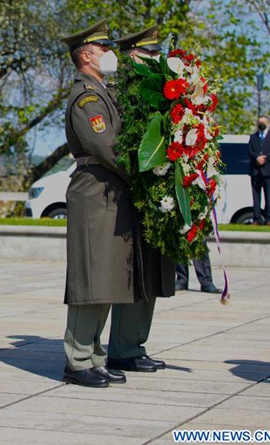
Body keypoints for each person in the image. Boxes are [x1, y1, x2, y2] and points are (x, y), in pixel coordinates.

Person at [59, 19, 142, 388]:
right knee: (91, 277)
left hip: (109, 191)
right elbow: (105, 146)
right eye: (105, 48)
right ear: (87, 55)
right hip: (95, 190)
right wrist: (143, 172)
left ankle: (93, 355)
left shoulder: (102, 91)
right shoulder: (86, 96)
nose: (111, 54)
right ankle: (77, 361)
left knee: (105, 278)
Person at [106, 26, 176, 375]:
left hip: (157, 193)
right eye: (148, 54)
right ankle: (121, 348)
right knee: (133, 275)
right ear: (131, 55)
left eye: (155, 54)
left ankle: (135, 345)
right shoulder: (116, 92)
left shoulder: (161, 93)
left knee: (152, 273)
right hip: (130, 195)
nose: (154, 59)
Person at [248, 116, 270, 225]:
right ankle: (256, 219)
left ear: (268, 123)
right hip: (255, 171)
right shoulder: (253, 137)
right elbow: (250, 151)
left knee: (268, 196)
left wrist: (264, 158)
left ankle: (269, 219)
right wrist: (257, 158)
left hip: (268, 171)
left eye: (263, 122)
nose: (261, 124)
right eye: (259, 122)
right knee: (256, 197)